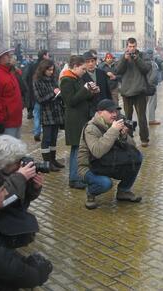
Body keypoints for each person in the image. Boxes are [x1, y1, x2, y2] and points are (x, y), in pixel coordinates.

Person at [78, 100, 143, 209]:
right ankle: (91, 192)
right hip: (89, 166)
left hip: (107, 162)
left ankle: (124, 191)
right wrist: (113, 131)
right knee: (106, 184)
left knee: (137, 157)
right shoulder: (91, 128)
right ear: (99, 113)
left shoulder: (113, 124)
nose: (114, 114)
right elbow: (97, 151)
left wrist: (124, 136)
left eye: (115, 111)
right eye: (110, 111)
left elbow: (133, 148)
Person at [60, 55, 97, 189]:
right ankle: (74, 178)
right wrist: (85, 89)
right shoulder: (66, 80)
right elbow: (71, 101)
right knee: (76, 149)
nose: (84, 71)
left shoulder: (76, 78)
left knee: (80, 149)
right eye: (82, 69)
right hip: (74, 120)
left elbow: (82, 97)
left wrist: (92, 92)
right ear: (75, 67)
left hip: (81, 118)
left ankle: (78, 176)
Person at [115, 37, 152, 147]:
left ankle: (144, 139)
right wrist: (124, 60)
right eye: (130, 46)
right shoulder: (123, 57)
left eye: (134, 46)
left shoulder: (142, 56)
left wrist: (137, 59)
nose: (132, 49)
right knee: (127, 117)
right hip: (126, 92)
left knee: (141, 117)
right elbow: (118, 71)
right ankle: (128, 138)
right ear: (127, 46)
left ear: (136, 46)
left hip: (139, 91)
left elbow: (146, 69)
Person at [0, 39, 23, 139]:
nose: (9, 56)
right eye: (6, 54)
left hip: (15, 121)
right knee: (7, 153)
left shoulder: (8, 72)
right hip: (6, 124)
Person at [33, 59, 65, 171]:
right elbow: (40, 99)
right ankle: (47, 162)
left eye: (52, 70)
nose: (51, 72)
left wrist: (60, 94)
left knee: (54, 139)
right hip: (47, 113)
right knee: (46, 139)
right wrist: (53, 93)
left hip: (56, 112)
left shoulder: (52, 80)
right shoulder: (37, 81)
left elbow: (57, 92)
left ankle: (53, 160)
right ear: (43, 69)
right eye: (49, 70)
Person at [24, 50, 51, 141]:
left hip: (34, 94)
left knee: (37, 114)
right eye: (48, 55)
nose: (49, 56)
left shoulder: (31, 65)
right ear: (44, 56)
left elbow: (26, 77)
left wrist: (29, 90)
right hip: (46, 94)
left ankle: (37, 132)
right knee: (46, 114)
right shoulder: (46, 66)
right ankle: (46, 133)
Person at [82, 50, 112, 117]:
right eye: (88, 62)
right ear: (84, 63)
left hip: (103, 107)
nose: (90, 64)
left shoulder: (102, 73)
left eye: (92, 61)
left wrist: (110, 105)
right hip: (89, 110)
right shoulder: (82, 76)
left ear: (95, 62)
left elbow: (107, 91)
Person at [145, 50, 160, 125]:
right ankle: (151, 119)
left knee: (144, 104)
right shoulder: (152, 63)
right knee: (152, 103)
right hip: (150, 86)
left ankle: (144, 119)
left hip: (143, 85)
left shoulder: (142, 62)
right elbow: (154, 75)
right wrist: (150, 84)